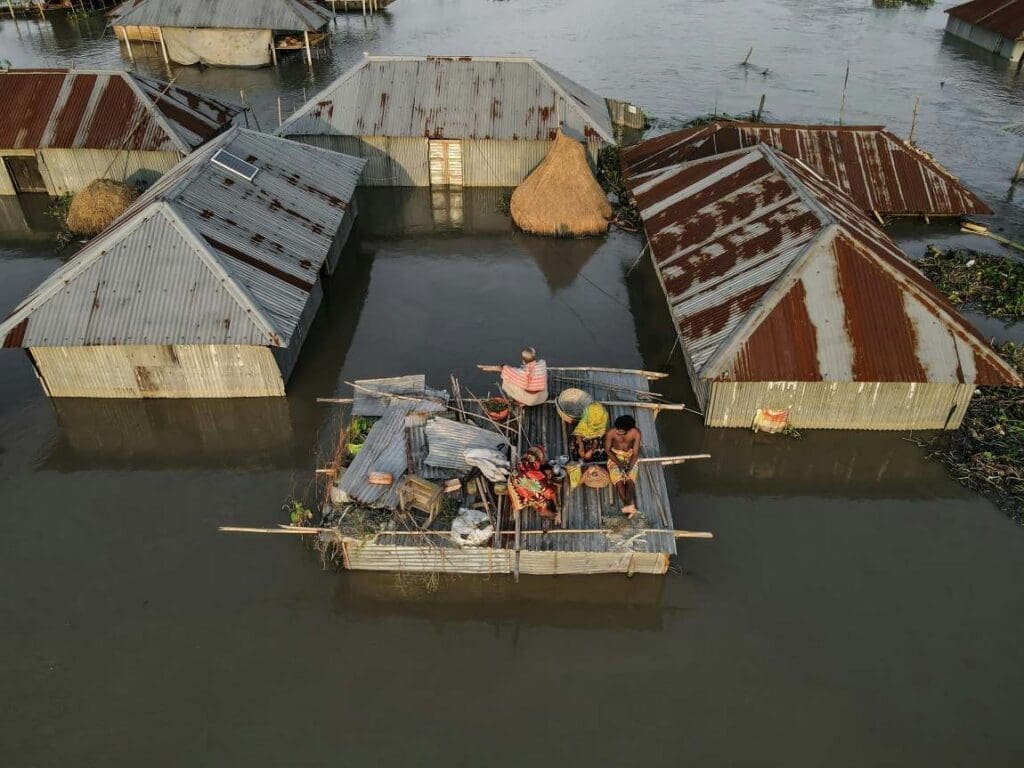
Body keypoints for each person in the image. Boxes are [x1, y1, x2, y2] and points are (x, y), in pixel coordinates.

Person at [604, 414, 641, 518]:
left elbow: (635, 453)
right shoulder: (611, 433)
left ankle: (626, 507)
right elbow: (607, 450)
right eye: (617, 429)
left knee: (631, 482)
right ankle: (627, 506)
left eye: (621, 430)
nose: (618, 431)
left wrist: (629, 468)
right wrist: (618, 463)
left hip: (630, 456)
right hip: (615, 457)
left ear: (629, 430)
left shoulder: (636, 433)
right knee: (619, 482)